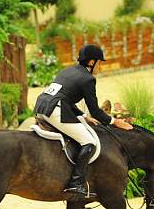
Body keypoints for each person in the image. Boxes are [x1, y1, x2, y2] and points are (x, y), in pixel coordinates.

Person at [34, 44, 133, 199]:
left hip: (42, 106)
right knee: (89, 141)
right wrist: (115, 121)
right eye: (99, 63)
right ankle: (76, 182)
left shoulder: (68, 70)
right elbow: (95, 110)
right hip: (55, 110)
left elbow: (66, 97)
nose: (99, 67)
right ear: (92, 62)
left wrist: (83, 116)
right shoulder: (88, 79)